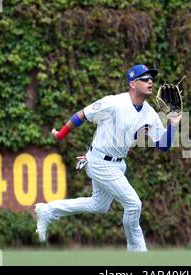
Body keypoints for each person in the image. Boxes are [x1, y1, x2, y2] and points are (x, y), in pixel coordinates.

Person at [34, 64, 182, 252]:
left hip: (117, 165)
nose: (150, 81)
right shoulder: (114, 103)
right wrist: (61, 134)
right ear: (133, 84)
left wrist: (174, 124)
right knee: (133, 204)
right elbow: (83, 115)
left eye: (151, 78)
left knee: (99, 205)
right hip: (100, 163)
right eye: (145, 78)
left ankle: (48, 211)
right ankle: (137, 254)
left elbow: (163, 145)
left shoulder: (149, 114)